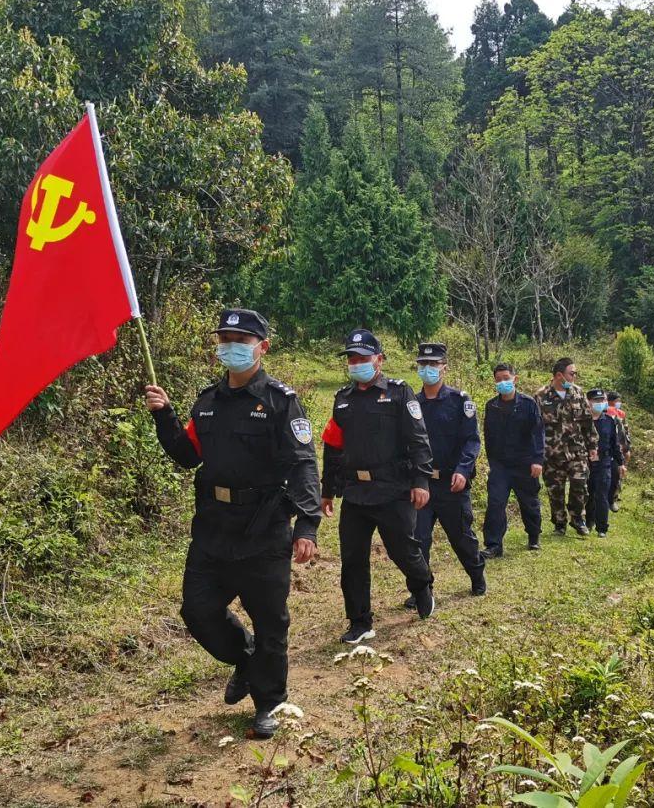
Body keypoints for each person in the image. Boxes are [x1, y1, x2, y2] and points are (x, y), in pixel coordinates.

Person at [144, 308, 320, 739]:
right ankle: (246, 660)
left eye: (242, 340)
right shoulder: (206, 403)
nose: (232, 346)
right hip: (213, 530)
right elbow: (188, 456)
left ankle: (270, 703)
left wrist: (307, 526)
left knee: (270, 620)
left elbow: (302, 465)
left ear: (263, 347)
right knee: (198, 610)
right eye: (225, 338)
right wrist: (164, 415)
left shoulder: (281, 401)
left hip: (263, 530)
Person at [320, 328, 436, 645]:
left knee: (404, 551)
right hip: (356, 494)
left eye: (363, 358)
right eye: (352, 359)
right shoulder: (342, 400)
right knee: (353, 559)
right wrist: (327, 489)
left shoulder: (399, 394)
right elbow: (333, 447)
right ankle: (360, 621)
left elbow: (418, 440)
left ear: (379, 360)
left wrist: (421, 480)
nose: (357, 363)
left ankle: (422, 583)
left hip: (393, 490)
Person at [407, 342, 485, 604]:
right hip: (423, 484)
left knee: (461, 537)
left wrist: (464, 470)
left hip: (453, 485)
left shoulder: (459, 401)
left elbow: (472, 441)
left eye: (433, 364)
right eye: (423, 365)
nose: (428, 369)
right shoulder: (412, 405)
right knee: (418, 540)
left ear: (444, 368)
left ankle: (476, 576)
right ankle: (422, 589)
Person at [481, 362, 545, 555]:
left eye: (506, 378)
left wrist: (537, 460)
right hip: (500, 464)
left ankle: (533, 536)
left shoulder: (528, 404)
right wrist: (492, 463)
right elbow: (488, 435)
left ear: (515, 379)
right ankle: (493, 545)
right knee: (495, 502)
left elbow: (538, 432)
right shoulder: (491, 406)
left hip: (525, 463)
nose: (503, 382)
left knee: (529, 502)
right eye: (499, 379)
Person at [534, 358, 598, 537]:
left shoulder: (578, 394)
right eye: (572, 373)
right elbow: (534, 427)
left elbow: (587, 422)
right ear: (559, 375)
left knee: (580, 484)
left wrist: (593, 445)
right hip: (552, 453)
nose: (575, 377)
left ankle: (577, 518)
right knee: (556, 490)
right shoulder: (541, 396)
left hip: (577, 451)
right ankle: (559, 523)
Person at [584, 388, 625, 538]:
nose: (600, 403)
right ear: (588, 402)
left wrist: (620, 463)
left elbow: (615, 444)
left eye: (602, 401)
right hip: (586, 463)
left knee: (601, 494)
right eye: (596, 401)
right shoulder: (582, 421)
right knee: (588, 494)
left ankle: (602, 528)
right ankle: (588, 522)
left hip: (605, 463)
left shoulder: (609, 421)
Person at [606, 391, 631, 512]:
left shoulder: (621, 414)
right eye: (616, 401)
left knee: (617, 476)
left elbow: (625, 432)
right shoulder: (604, 412)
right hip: (608, 449)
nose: (618, 403)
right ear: (609, 401)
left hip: (619, 449)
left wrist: (627, 448)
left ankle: (613, 499)